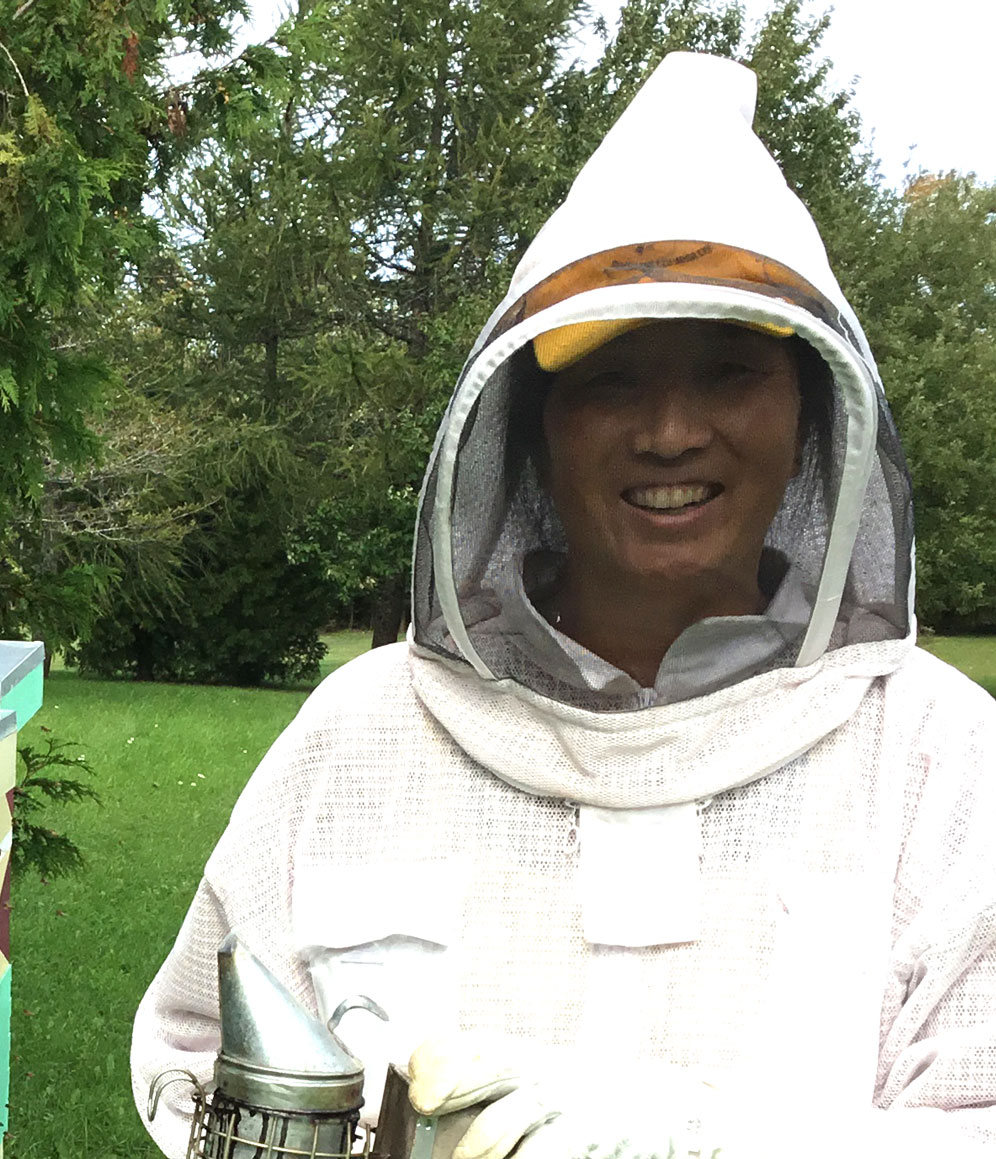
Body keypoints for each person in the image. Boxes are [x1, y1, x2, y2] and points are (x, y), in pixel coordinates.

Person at [130, 52, 996, 1158]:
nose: (671, 430)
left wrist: (697, 1140)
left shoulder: (941, 759)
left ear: (813, 419)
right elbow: (199, 1060)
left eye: (729, 371)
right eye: (611, 379)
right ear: (531, 426)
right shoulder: (359, 735)